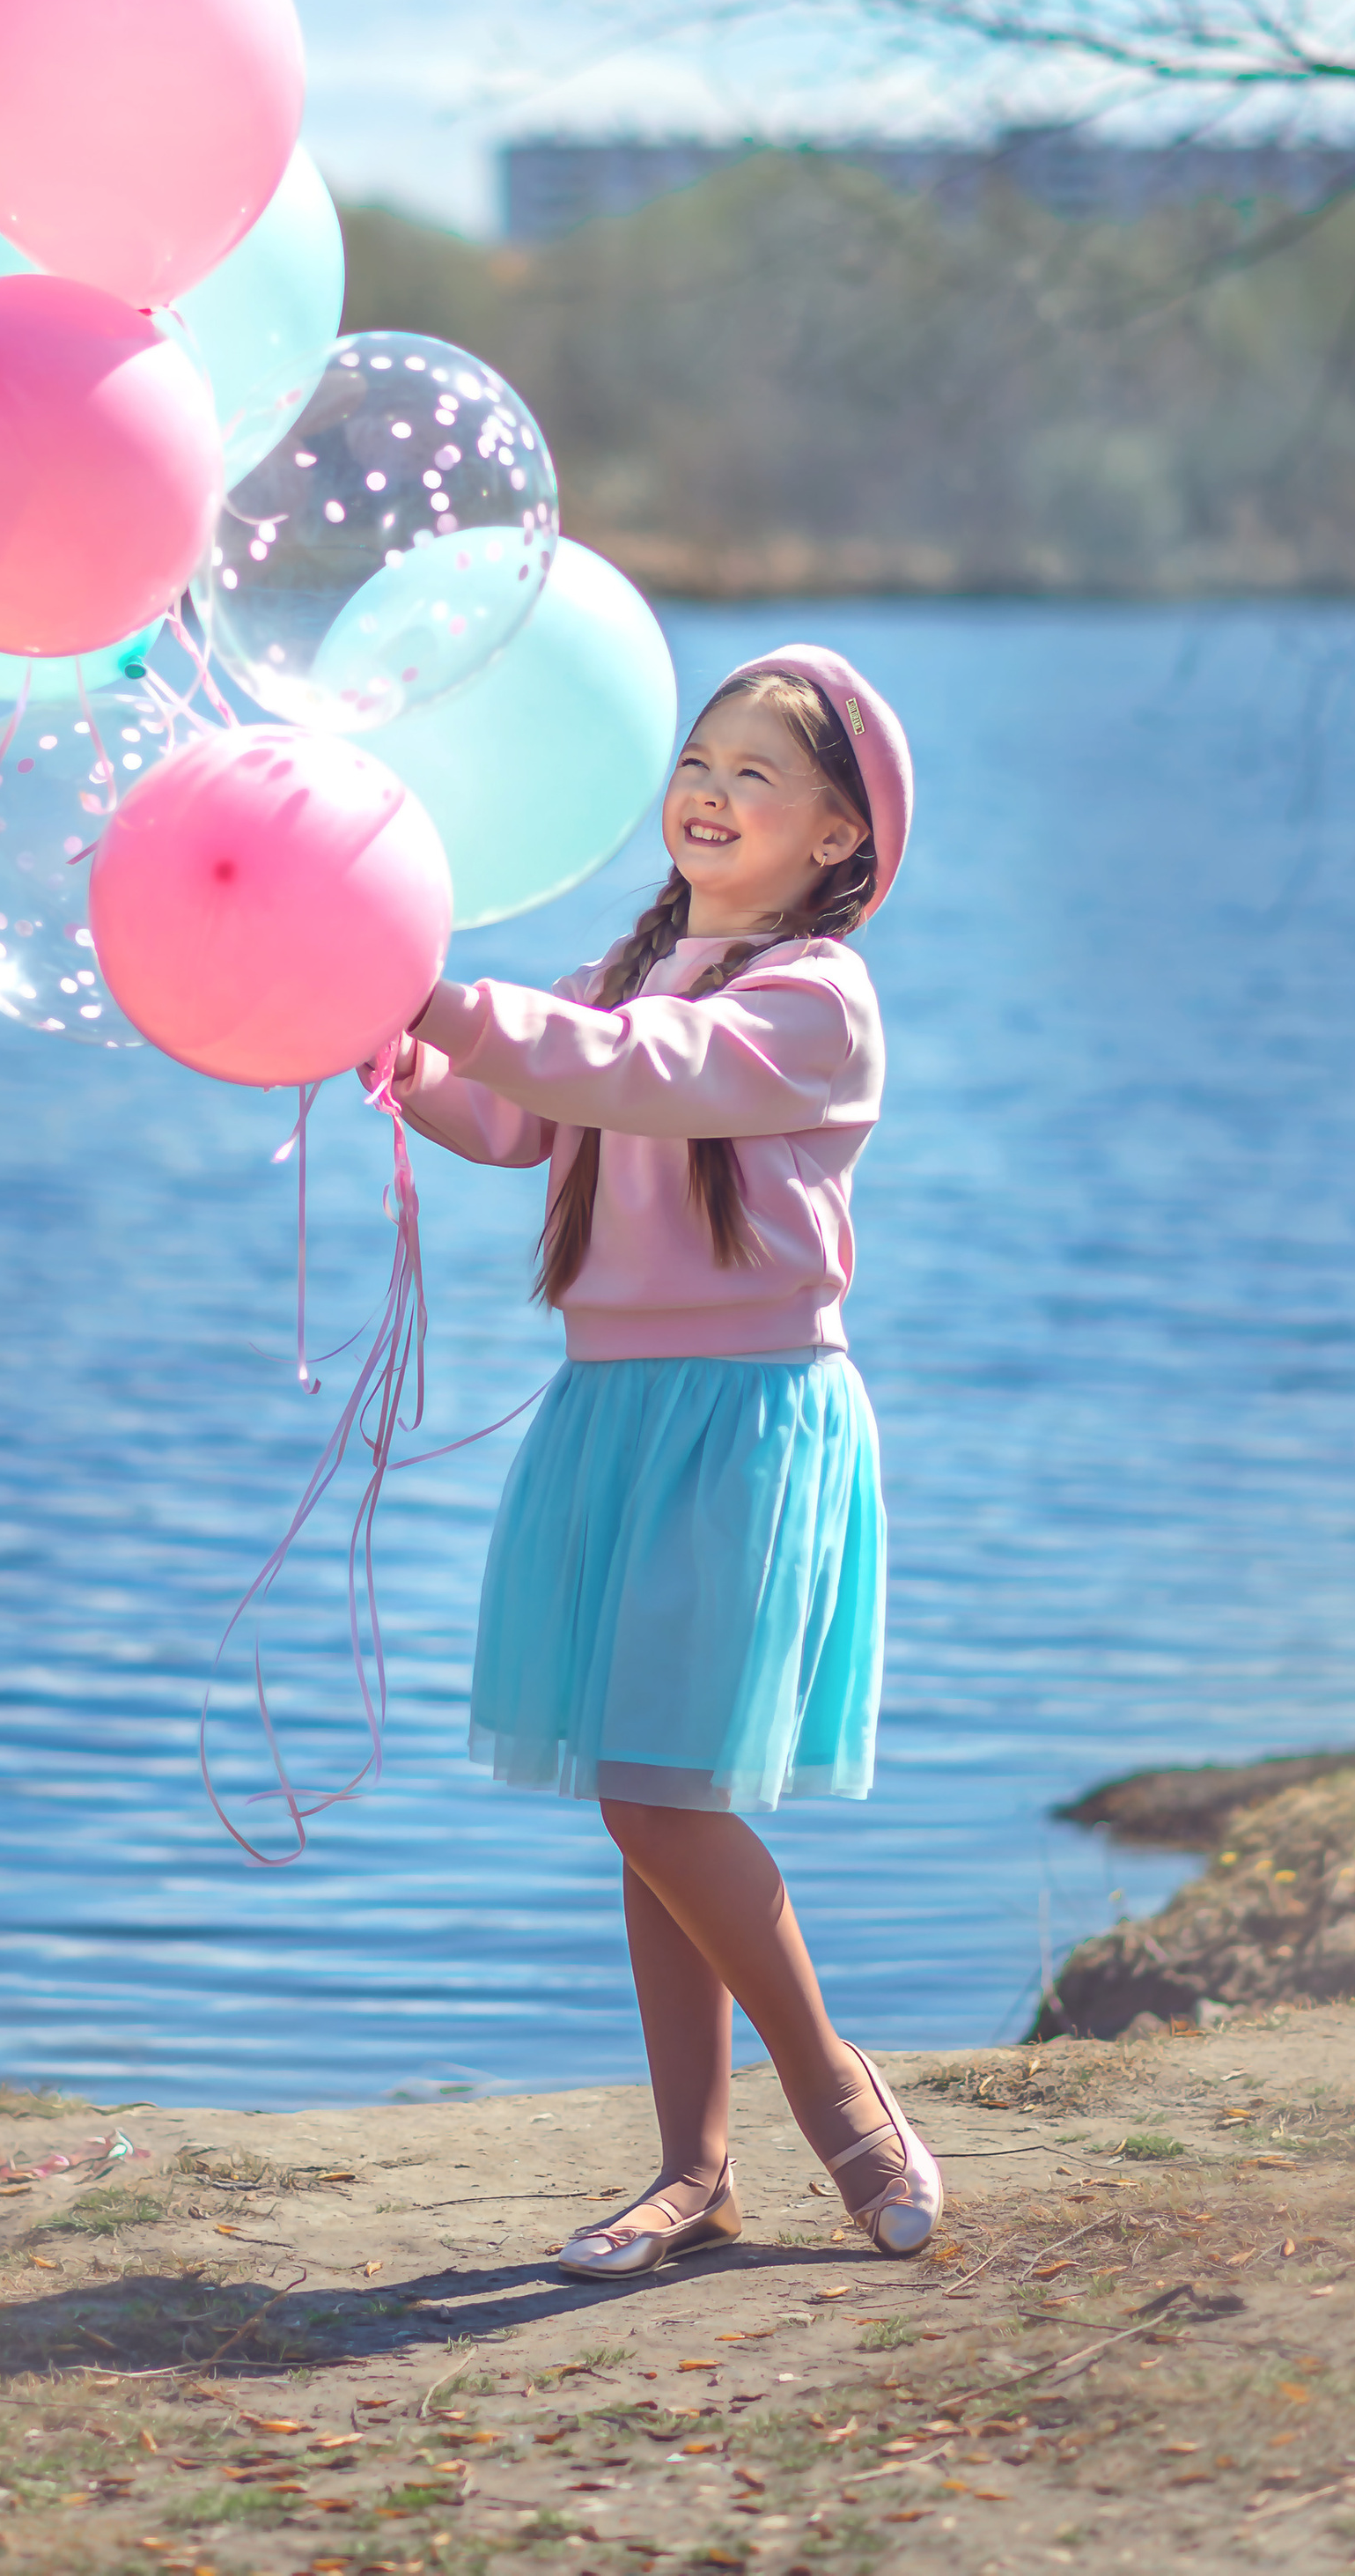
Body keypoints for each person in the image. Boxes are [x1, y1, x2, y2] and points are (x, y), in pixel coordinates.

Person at [386, 642, 941, 2277]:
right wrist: (397, 1049)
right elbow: (526, 1117)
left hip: (747, 1410)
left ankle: (842, 2105)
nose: (706, 790)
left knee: (655, 1789)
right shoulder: (636, 967)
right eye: (699, 760)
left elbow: (638, 1075)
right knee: (652, 1792)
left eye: (754, 775)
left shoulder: (812, 1001)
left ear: (838, 838)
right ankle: (691, 2173)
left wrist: (455, 1004)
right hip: (615, 1406)